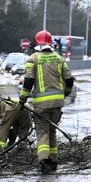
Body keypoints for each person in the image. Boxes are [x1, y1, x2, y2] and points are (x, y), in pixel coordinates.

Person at [20, 30, 74, 173]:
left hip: (42, 104)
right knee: (52, 132)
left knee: (42, 131)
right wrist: (66, 93)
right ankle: (54, 161)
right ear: (50, 43)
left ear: (37, 43)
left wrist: (22, 99)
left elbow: (28, 81)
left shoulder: (33, 59)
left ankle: (44, 160)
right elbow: (69, 79)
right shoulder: (59, 59)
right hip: (57, 103)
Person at [0, 84, 29, 150]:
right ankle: (22, 150)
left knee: (3, 128)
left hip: (11, 107)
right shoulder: (11, 99)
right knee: (23, 130)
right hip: (26, 107)